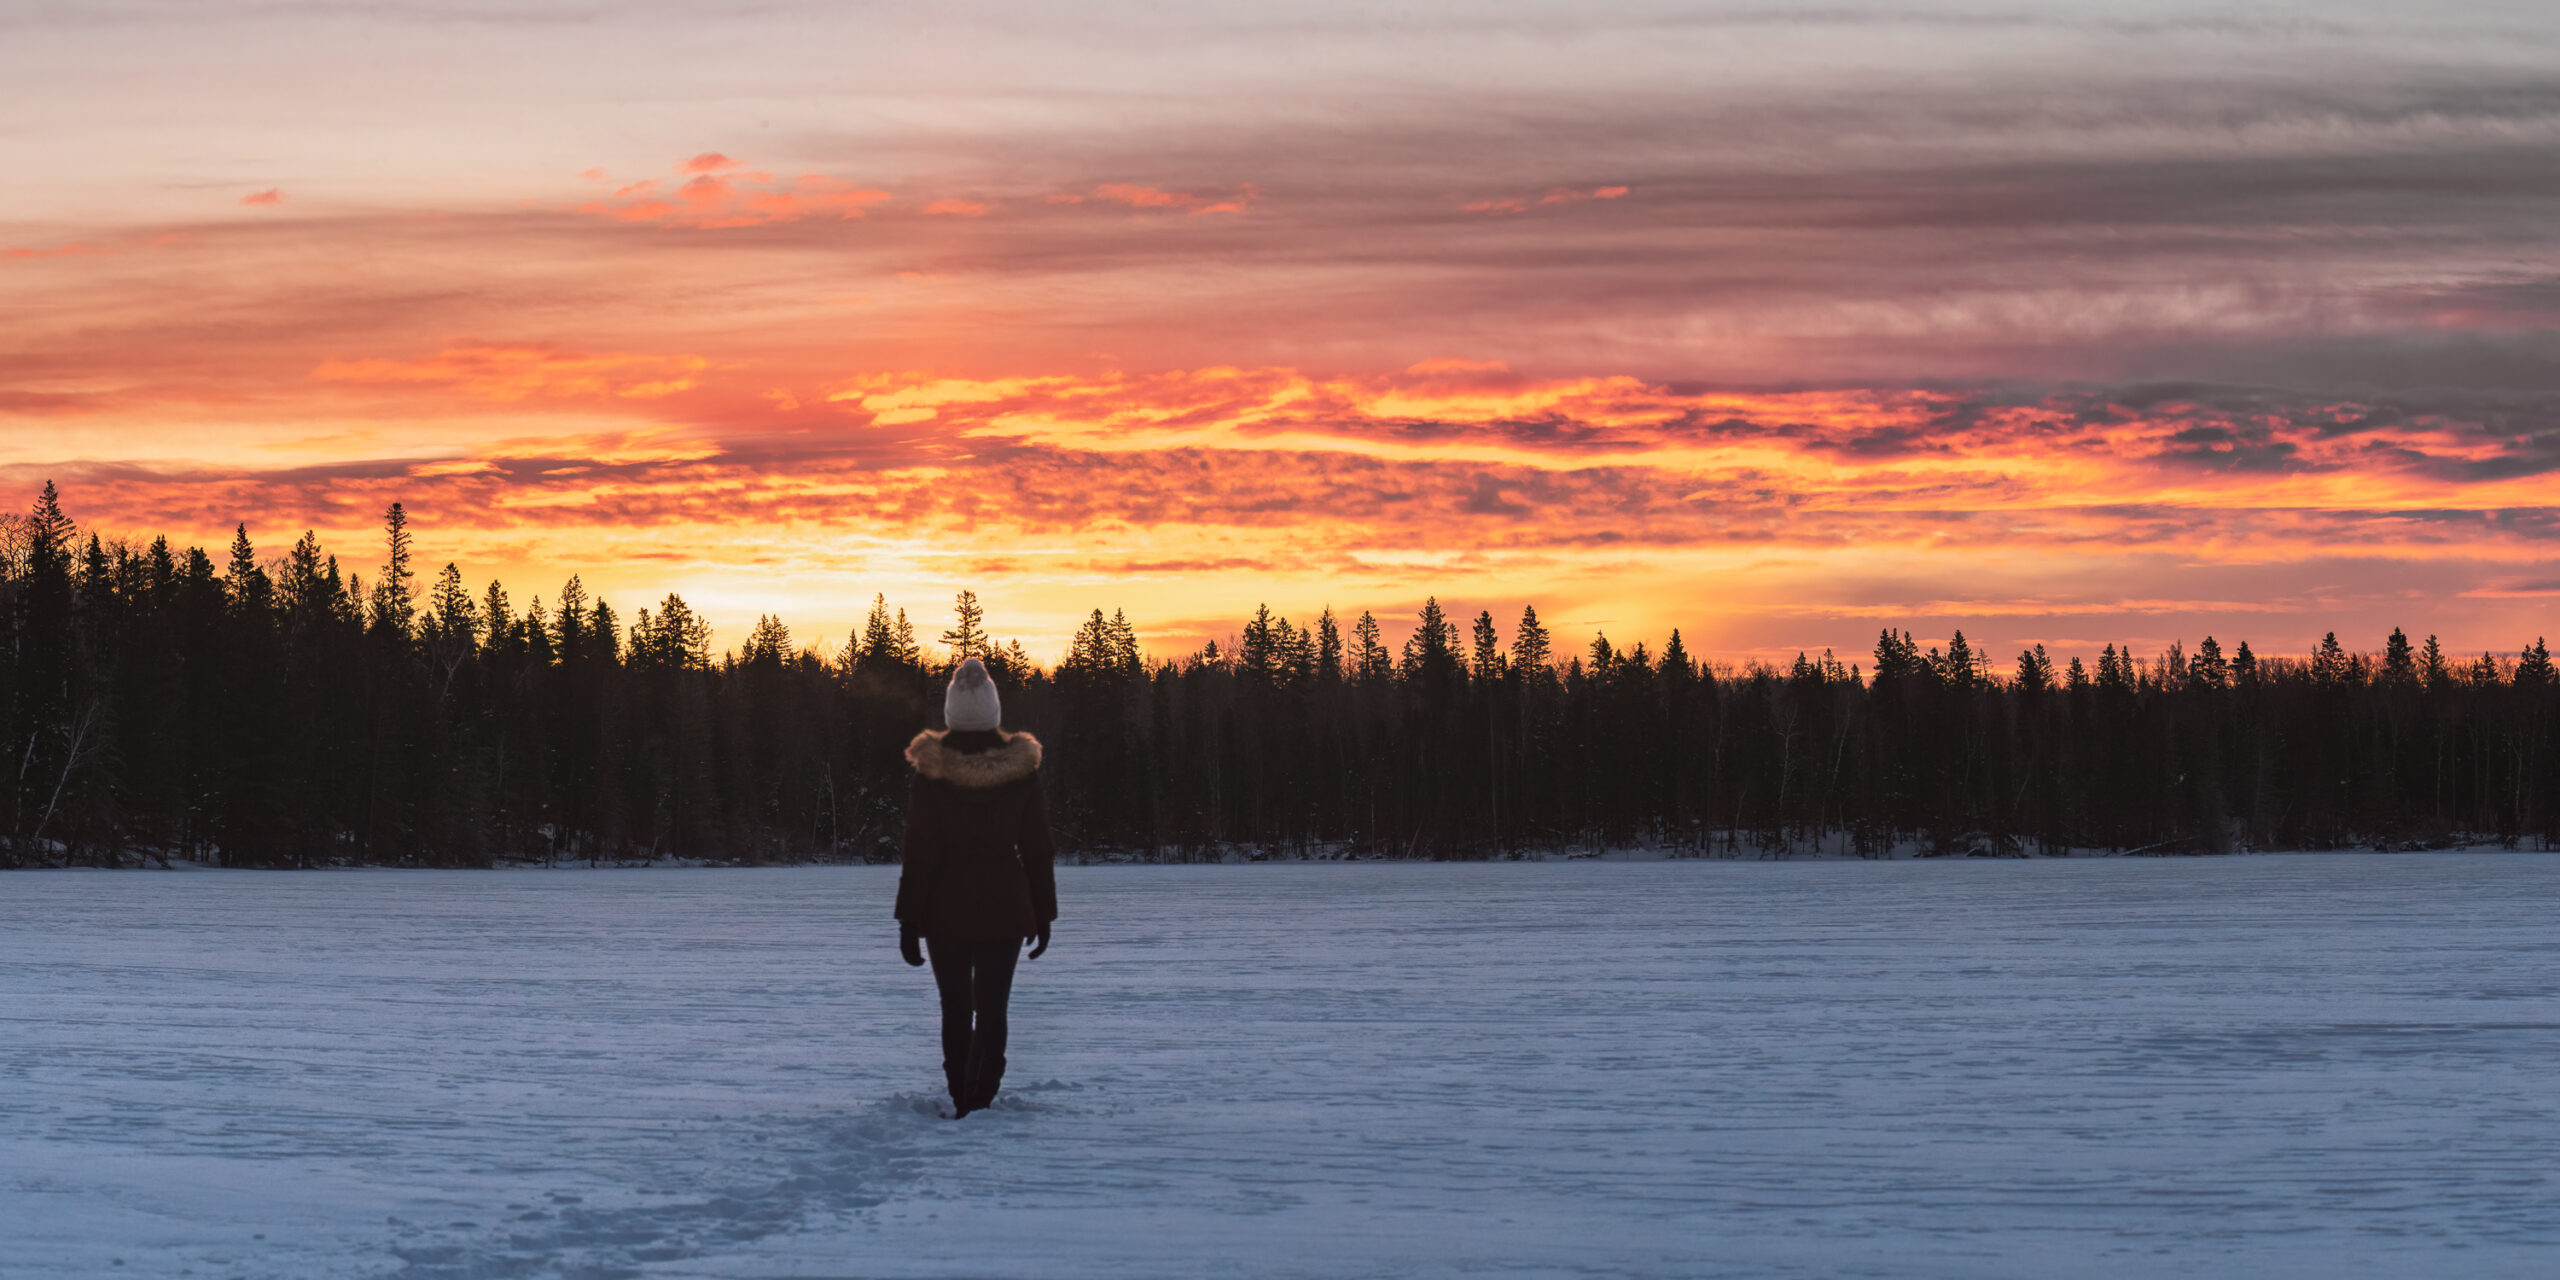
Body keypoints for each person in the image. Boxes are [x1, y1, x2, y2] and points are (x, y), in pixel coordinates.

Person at [895, 657, 1056, 1118]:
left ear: (951, 711)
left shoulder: (930, 772)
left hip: (944, 908)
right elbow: (1038, 849)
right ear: (992, 709)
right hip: (1005, 905)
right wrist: (1043, 914)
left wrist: (909, 920)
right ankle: (979, 1096)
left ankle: (963, 1095)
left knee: (955, 1007)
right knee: (992, 1008)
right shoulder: (1021, 770)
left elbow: (919, 852)